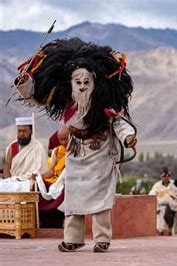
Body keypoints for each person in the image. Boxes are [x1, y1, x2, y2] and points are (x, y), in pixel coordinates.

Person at [11, 37, 137, 252]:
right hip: (76, 156)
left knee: (100, 201)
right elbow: (38, 96)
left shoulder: (106, 107)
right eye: (78, 82)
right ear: (70, 84)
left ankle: (102, 239)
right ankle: (73, 239)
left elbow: (119, 123)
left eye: (86, 82)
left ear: (95, 83)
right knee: (73, 200)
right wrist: (25, 83)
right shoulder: (68, 104)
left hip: (101, 156)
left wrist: (128, 137)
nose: (82, 86)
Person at [0, 117, 48, 192]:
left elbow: (40, 172)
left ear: (31, 131)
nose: (22, 134)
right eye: (19, 131)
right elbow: (7, 167)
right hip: (13, 182)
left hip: (29, 182)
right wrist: (8, 182)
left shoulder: (38, 148)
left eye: (25, 131)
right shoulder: (12, 147)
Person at [148, 168, 177, 235]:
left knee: (171, 227)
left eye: (168, 175)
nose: (167, 177)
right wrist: (156, 208)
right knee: (160, 227)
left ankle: (170, 239)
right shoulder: (157, 186)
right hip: (161, 209)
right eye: (164, 176)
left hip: (172, 208)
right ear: (161, 176)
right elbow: (152, 197)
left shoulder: (174, 184)